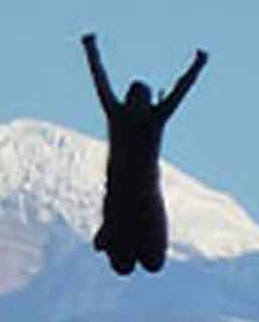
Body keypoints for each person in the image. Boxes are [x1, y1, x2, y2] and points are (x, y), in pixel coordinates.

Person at [81, 34, 207, 275]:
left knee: (130, 264)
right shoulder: (152, 119)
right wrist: (197, 65)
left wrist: (91, 49)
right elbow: (179, 92)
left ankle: (109, 237)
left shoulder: (119, 116)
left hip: (122, 201)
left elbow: (100, 81)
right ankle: (108, 237)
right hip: (141, 202)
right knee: (148, 263)